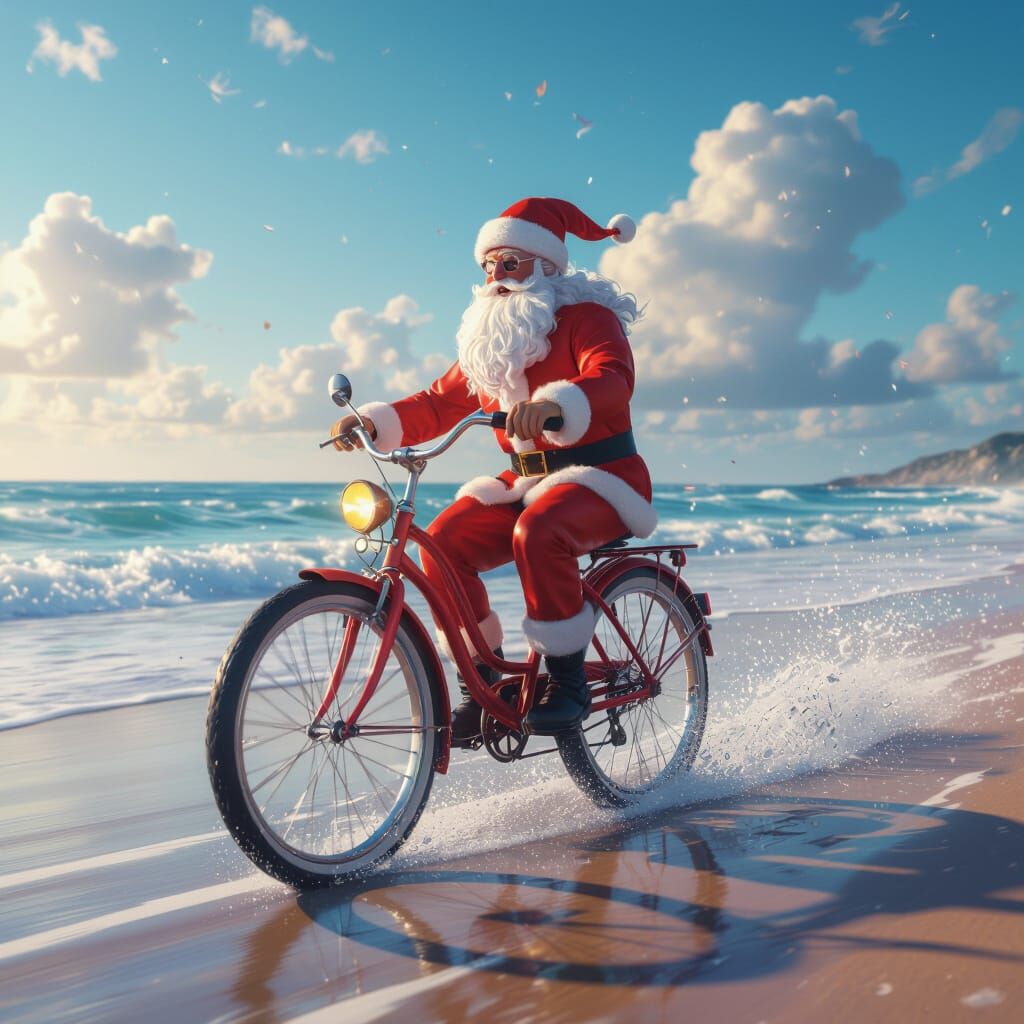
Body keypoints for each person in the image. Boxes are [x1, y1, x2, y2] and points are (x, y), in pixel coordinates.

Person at [331, 197, 656, 742]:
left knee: (540, 531)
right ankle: (483, 683)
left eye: (510, 264)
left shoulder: (586, 318)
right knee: (443, 542)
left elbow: (612, 376)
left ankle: (567, 682)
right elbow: (437, 402)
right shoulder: (495, 341)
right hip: (526, 481)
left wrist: (558, 404)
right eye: (488, 267)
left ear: (546, 266)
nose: (496, 279)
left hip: (602, 477)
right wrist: (369, 422)